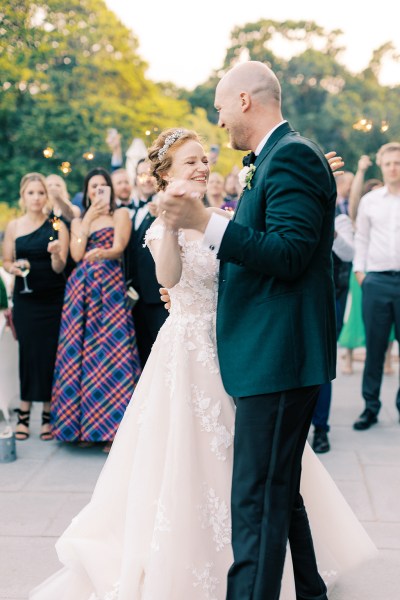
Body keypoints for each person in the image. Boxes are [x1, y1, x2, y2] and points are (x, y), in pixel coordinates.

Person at [30, 128, 375, 600]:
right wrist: (173, 224)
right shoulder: (157, 224)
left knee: (261, 468)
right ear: (166, 174)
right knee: (194, 461)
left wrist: (313, 179)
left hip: (238, 343)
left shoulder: (226, 215)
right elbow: (168, 278)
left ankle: (284, 573)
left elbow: (259, 250)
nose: (201, 167)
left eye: (203, 160)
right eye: (189, 162)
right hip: (188, 352)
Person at [159, 61, 341, 600]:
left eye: (219, 108)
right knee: (277, 492)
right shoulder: (277, 159)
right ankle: (311, 592)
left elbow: (287, 255)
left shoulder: (293, 158)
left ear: (243, 100)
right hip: (264, 353)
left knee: (255, 499)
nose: (218, 123)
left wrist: (202, 223)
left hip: (278, 357)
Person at [50, 167, 141, 449]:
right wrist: (86, 220)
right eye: (93, 186)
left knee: (111, 354)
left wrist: (101, 253)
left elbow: (118, 247)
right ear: (87, 190)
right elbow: (76, 255)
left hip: (110, 286)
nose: (97, 190)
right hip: (81, 290)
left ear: (110, 191)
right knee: (80, 354)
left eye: (103, 186)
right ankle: (84, 430)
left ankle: (113, 431)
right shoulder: (79, 219)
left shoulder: (120, 215)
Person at [2, 173, 69, 440]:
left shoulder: (57, 225)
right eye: (31, 193)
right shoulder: (14, 226)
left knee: (50, 355)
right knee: (28, 355)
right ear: (23, 196)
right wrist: (13, 268)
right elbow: (6, 260)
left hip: (52, 299)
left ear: (46, 196)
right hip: (26, 300)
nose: (37, 197)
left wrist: (55, 254)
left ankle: (47, 415)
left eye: (41, 192)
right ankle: (24, 413)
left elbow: (60, 267)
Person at [352, 141, 400, 431]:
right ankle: (370, 407)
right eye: (389, 163)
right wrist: (361, 273)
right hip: (377, 281)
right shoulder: (371, 201)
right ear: (381, 166)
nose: (394, 168)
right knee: (375, 348)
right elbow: (362, 239)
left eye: (398, 163)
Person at [122, 159, 168, 367]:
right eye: (141, 175)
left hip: (159, 294)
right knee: (142, 356)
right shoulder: (129, 211)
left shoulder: (169, 202)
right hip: (135, 296)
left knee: (163, 353)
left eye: (150, 174)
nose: (146, 179)